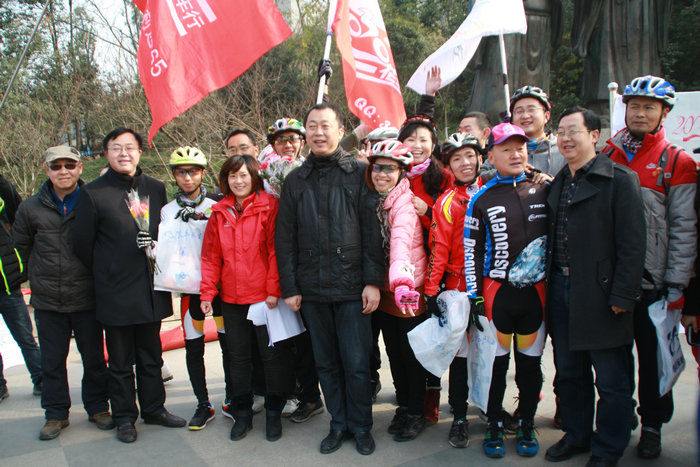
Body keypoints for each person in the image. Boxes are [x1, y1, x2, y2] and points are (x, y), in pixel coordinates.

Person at [275, 102, 385, 455]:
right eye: (312, 126)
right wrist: (291, 287)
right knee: (326, 363)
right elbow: (285, 238)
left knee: (357, 362)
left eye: (326, 126)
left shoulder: (360, 172)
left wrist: (372, 281)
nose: (319, 132)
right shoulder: (295, 180)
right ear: (305, 133)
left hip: (353, 287)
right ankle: (338, 423)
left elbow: (374, 231)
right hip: (312, 289)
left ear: (340, 131)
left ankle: (361, 426)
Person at [544, 107, 646, 467]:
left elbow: (633, 245)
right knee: (570, 373)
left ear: (594, 135)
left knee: (612, 379)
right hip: (560, 289)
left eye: (574, 130)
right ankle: (577, 435)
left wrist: (623, 295)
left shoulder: (620, 180)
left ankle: (608, 447)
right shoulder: (558, 182)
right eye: (561, 132)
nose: (566, 138)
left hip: (601, 294)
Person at [603, 75, 698, 459]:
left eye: (649, 107)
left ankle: (653, 425)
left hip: (654, 283)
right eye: (634, 106)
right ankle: (620, 414)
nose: (640, 113)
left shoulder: (677, 162)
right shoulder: (607, 155)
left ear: (664, 113)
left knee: (654, 361)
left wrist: (675, 284)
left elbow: (684, 229)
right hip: (612, 280)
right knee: (614, 358)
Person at [73, 128, 186, 443]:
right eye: (116, 148)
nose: (124, 153)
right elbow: (82, 244)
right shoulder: (93, 193)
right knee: (120, 361)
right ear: (106, 153)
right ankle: (124, 416)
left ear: (140, 152)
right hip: (116, 291)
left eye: (130, 147)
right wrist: (111, 267)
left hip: (150, 288)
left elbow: (167, 233)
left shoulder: (155, 187)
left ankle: (154, 408)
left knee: (151, 356)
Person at [12, 146, 113, 440]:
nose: (63, 171)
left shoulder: (93, 201)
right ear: (47, 170)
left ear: (80, 168)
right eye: (56, 166)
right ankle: (55, 413)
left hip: (87, 296)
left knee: (94, 358)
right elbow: (19, 249)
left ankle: (98, 407)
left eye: (70, 165)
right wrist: (25, 279)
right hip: (48, 299)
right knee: (52, 361)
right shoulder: (30, 208)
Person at [464, 122, 548, 458]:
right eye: (506, 149)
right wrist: (474, 296)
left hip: (536, 296)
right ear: (491, 156)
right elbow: (472, 251)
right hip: (497, 296)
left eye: (520, 148)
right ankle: (495, 422)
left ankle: (526, 421)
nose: (515, 155)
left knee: (530, 366)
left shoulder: (545, 188)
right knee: (496, 367)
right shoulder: (481, 198)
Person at [200, 155, 293, 442]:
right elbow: (210, 256)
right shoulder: (219, 212)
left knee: (271, 357)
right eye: (232, 176)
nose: (238, 181)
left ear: (254, 178)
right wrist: (207, 292)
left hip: (264, 298)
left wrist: (273, 290)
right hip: (231, 298)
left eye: (244, 175)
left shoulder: (269, 206)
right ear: (225, 180)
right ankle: (242, 414)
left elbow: (277, 250)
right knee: (238, 359)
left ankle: (274, 413)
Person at [155, 146, 232, 430]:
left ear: (202, 173)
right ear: (174, 175)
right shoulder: (167, 210)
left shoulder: (217, 204)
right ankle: (203, 404)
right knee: (193, 348)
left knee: (229, 346)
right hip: (189, 289)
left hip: (221, 287)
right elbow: (164, 250)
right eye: (181, 172)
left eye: (194, 171)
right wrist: (152, 249)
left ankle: (232, 397)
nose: (188, 177)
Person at [425, 132, 484, 448]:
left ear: (480, 158)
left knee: (491, 353)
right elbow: (439, 250)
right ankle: (459, 417)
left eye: (470, 156)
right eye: (457, 158)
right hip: (458, 289)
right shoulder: (446, 201)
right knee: (460, 358)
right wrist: (431, 291)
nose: (465, 163)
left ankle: (490, 409)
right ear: (449, 165)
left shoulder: (493, 191)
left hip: (491, 288)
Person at [366, 140, 427, 442]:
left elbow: (401, 244)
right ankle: (404, 405)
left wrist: (402, 284)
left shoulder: (404, 204)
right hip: (388, 291)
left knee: (410, 355)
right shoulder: (379, 200)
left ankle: (416, 411)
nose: (382, 174)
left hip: (407, 290)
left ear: (402, 172)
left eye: (390, 169)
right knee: (394, 352)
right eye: (377, 167)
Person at [397, 113, 454, 423]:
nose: (417, 145)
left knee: (432, 331)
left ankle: (432, 391)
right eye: (410, 139)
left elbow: (454, 222)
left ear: (433, 144)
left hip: (435, 268)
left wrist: (428, 211)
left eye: (423, 139)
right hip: (402, 270)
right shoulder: (393, 172)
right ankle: (408, 395)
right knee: (406, 335)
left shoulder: (443, 177)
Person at [0, 180, 42, 400]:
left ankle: (41, 378)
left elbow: (12, 204)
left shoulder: (3, 199)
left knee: (25, 337)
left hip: (7, 285)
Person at [509, 86, 566, 176]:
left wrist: (552, 182)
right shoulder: (504, 149)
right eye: (519, 111)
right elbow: (485, 174)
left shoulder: (563, 150)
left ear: (546, 116)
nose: (525, 116)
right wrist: (504, 172)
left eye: (531, 110)